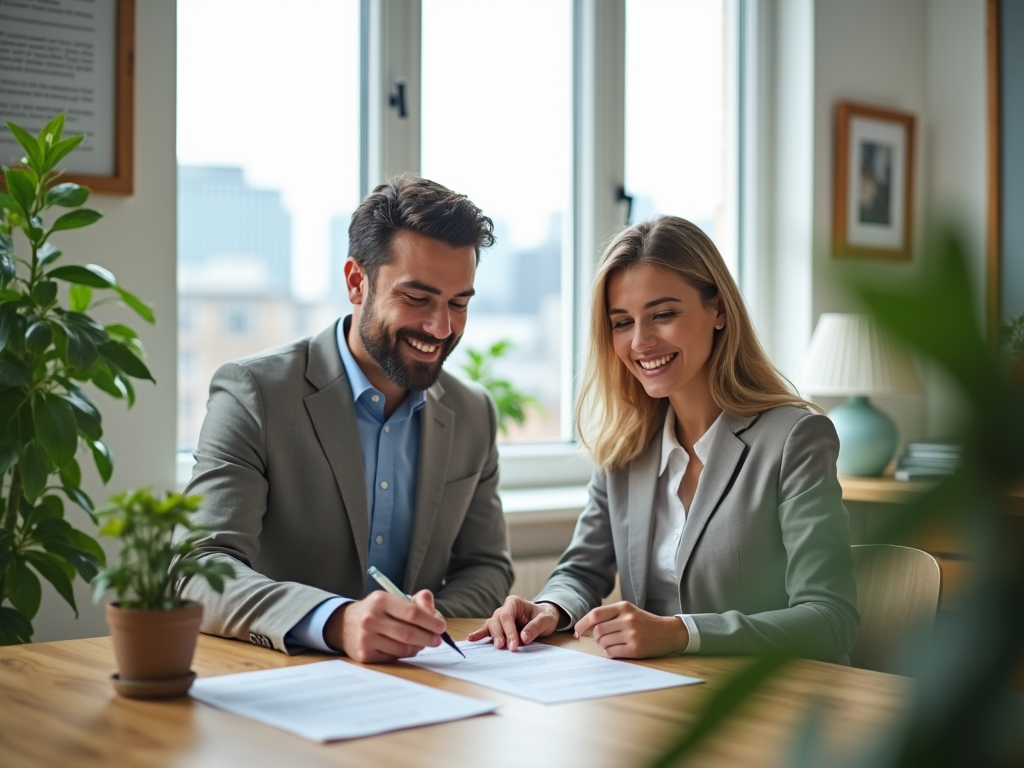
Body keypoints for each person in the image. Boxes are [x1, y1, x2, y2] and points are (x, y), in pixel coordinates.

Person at [470, 216, 859, 662]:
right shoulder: (627, 446)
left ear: (718, 311)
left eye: (664, 315)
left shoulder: (795, 438)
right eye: (622, 323)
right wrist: (547, 608)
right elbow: (581, 570)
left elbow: (831, 620)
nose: (640, 342)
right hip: (657, 694)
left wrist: (681, 633)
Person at [180, 175, 514, 662]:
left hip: (423, 681)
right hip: (280, 680)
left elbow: (486, 566)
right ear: (358, 283)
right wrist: (336, 622)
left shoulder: (472, 410)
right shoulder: (254, 392)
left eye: (458, 303)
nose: (441, 327)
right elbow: (199, 566)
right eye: (417, 298)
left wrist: (414, 631)